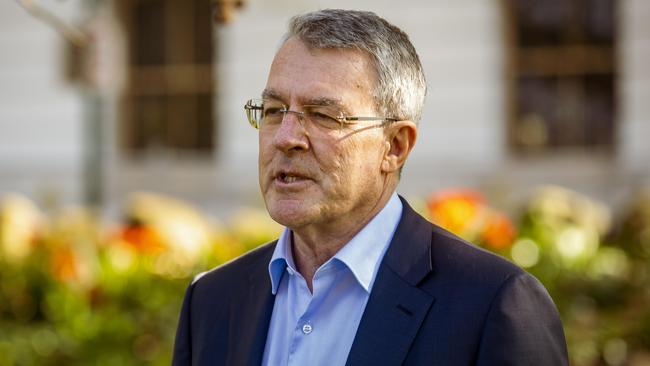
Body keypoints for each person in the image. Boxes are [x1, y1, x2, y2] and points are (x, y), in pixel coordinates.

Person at [172, 9, 568, 366]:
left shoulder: (494, 304)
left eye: (323, 115)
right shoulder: (211, 301)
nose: (285, 137)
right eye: (275, 111)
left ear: (394, 146)